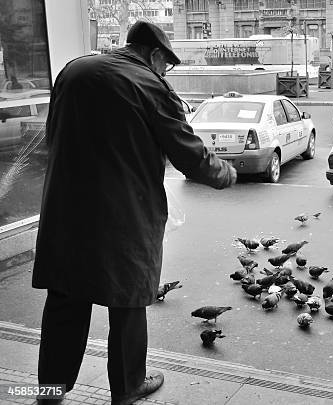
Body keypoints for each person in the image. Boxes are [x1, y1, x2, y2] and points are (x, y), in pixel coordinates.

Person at [32, 21, 237, 405]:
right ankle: (127, 387)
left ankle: (49, 390)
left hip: (65, 209)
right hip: (122, 215)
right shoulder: (149, 84)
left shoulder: (75, 70)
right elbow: (189, 155)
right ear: (156, 55)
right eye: (166, 64)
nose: (165, 72)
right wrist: (225, 173)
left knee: (65, 300)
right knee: (127, 301)